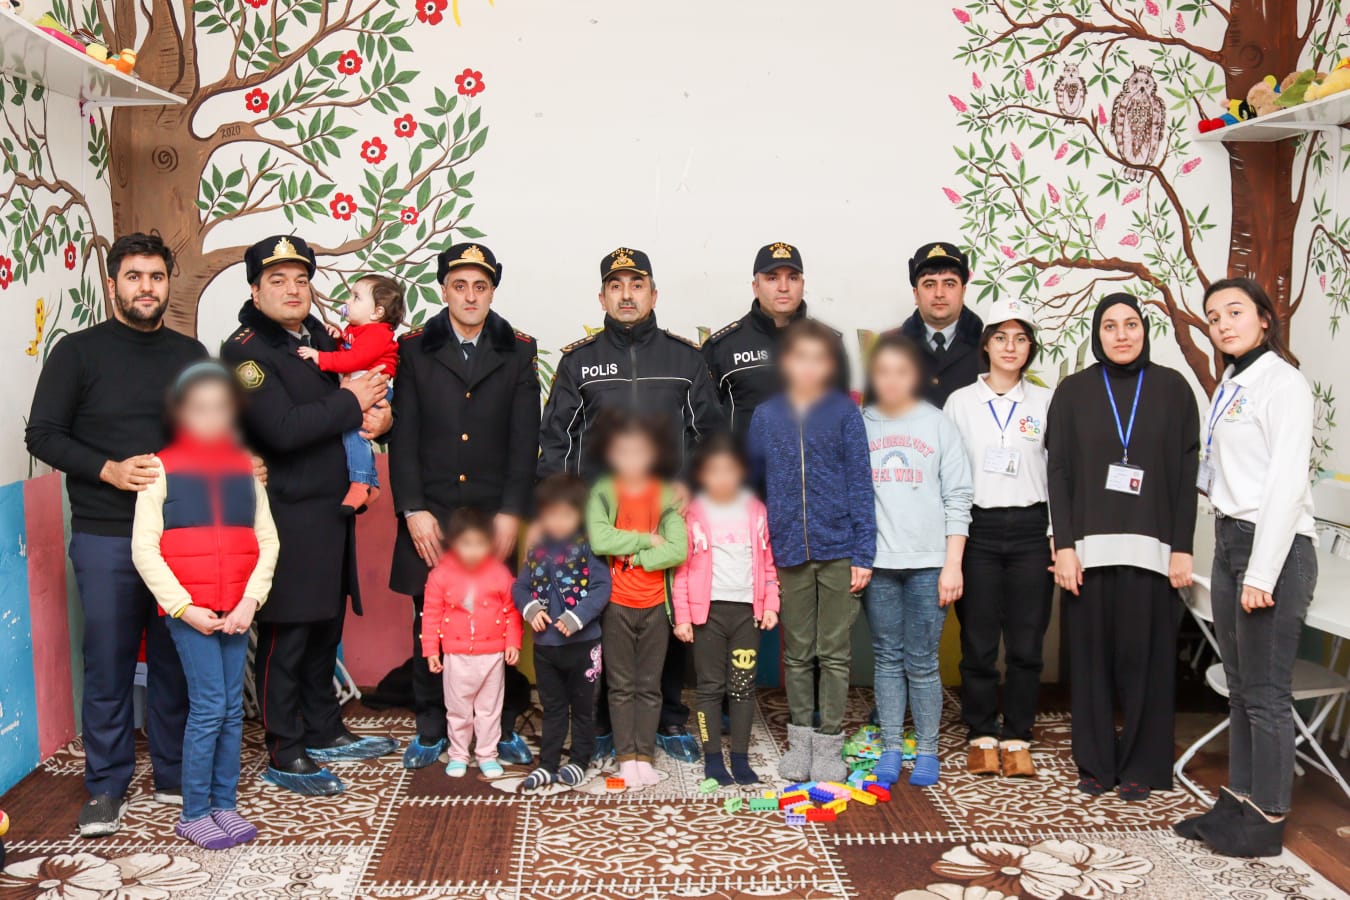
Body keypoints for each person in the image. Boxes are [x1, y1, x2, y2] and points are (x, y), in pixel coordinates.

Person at [26, 232, 208, 837]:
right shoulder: (76, 354)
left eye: (156, 277)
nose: (146, 288)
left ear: (166, 285)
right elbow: (42, 434)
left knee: (175, 659)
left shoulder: (190, 353)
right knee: (106, 660)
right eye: (134, 277)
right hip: (106, 534)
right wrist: (107, 469)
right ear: (113, 285)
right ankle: (106, 785)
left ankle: (178, 773)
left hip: (177, 535)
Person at [221, 235, 397, 796]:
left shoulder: (320, 337)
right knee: (288, 632)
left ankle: (323, 728)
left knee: (325, 625)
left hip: (332, 510)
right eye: (278, 280)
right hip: (286, 512)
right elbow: (281, 429)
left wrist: (381, 415)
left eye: (301, 279)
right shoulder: (245, 352)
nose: (293, 289)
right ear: (255, 288)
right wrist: (352, 400)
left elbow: (360, 400)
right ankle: (285, 747)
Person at [539, 247, 725, 762]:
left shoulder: (686, 360)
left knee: (666, 617)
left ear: (653, 294)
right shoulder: (578, 361)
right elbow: (556, 442)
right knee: (602, 623)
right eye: (616, 286)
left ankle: (668, 719)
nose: (626, 294)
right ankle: (601, 724)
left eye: (636, 285)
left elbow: (712, 435)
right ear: (602, 296)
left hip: (666, 519)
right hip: (600, 522)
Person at [1173, 278, 1318, 858]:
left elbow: (1285, 484)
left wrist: (1261, 573)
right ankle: (1236, 801)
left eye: (1235, 311)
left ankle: (1265, 821)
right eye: (1213, 317)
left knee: (1266, 694)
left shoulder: (1284, 383)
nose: (1223, 323)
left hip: (1273, 549)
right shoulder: (1233, 381)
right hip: (1233, 539)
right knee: (1239, 690)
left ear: (1264, 318)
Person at [388, 243, 540, 770]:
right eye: (460, 285)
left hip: (492, 512)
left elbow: (526, 440)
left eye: (481, 286)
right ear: (443, 289)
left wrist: (512, 512)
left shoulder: (519, 350)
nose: (470, 296)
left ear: (492, 290)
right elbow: (401, 437)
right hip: (432, 509)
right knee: (429, 617)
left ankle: (502, 727)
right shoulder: (413, 349)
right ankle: (432, 729)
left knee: (503, 612)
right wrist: (412, 508)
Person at [1046, 293, 1199, 801]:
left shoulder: (1174, 390)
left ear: (1144, 330)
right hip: (1087, 553)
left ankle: (1142, 763)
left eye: (1131, 324)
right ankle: (1094, 763)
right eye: (1110, 326)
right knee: (1089, 665)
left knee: (1148, 664)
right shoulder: (1072, 392)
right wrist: (1063, 546)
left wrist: (1183, 547)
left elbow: (1185, 476)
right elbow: (1059, 472)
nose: (1122, 334)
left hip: (1155, 554)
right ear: (1097, 334)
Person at [129, 362, 279, 850]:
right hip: (191, 613)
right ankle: (194, 810)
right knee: (210, 705)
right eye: (199, 409)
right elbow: (144, 549)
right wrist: (182, 607)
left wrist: (250, 601)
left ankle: (224, 804)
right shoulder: (160, 470)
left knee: (233, 709)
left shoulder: (244, 469)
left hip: (237, 610)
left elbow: (267, 540)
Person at [747, 319, 875, 784]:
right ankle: (800, 737)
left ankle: (829, 741)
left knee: (834, 652)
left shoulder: (844, 414)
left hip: (839, 547)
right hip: (788, 550)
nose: (808, 366)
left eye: (818, 358)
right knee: (798, 652)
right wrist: (767, 553)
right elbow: (756, 488)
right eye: (799, 356)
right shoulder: (765, 416)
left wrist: (863, 552)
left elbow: (861, 484)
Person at [944, 298, 1055, 778]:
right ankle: (982, 732)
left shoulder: (1047, 402)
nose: (1011, 347)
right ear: (985, 344)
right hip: (979, 531)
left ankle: (1019, 734)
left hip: (1032, 530)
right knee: (979, 641)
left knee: (1028, 643)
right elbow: (948, 477)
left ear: (1030, 347)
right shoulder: (961, 403)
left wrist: (1057, 536)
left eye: (1021, 338)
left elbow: (1059, 474)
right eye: (1001, 337)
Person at [862, 334, 973, 788]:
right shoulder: (860, 423)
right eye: (883, 371)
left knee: (923, 661)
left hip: (931, 563)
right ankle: (891, 746)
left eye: (901, 371)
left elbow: (958, 497)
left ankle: (927, 750)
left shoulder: (939, 424)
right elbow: (850, 498)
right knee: (887, 658)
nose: (892, 380)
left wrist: (953, 564)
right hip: (878, 564)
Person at [585, 410, 689, 789]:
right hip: (616, 604)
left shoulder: (665, 495)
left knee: (649, 685)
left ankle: (644, 756)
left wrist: (638, 559)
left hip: (655, 608)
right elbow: (600, 539)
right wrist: (647, 539)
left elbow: (679, 548)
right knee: (621, 684)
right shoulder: (602, 493)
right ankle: (626, 757)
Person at [672, 433, 779, 786]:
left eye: (730, 470)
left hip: (746, 615)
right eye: (714, 471)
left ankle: (741, 759)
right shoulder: (693, 513)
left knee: (742, 688)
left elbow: (768, 565)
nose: (722, 478)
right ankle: (714, 759)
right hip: (708, 616)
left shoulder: (757, 511)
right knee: (710, 688)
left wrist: (771, 605)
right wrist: (683, 616)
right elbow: (682, 569)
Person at [512, 474, 612, 791]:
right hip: (546, 648)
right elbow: (520, 586)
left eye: (565, 514)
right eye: (550, 514)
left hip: (582, 646)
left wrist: (576, 617)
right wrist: (531, 609)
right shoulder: (538, 549)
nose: (557, 521)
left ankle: (580, 760)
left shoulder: (589, 548)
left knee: (583, 709)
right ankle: (548, 763)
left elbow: (601, 588)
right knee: (552, 708)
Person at [703, 242, 850, 438]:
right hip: (749, 468)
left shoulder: (829, 343)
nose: (783, 287)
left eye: (792, 278)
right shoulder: (723, 347)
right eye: (772, 278)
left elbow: (843, 422)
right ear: (756, 287)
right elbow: (706, 428)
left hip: (811, 468)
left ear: (802, 285)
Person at [420, 508, 523, 778]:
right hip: (456, 656)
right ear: (453, 543)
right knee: (458, 710)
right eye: (467, 544)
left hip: (493, 656)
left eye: (480, 544)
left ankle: (487, 754)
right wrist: (431, 650)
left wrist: (513, 642)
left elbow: (512, 611)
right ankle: (458, 754)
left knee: (489, 709)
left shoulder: (500, 573)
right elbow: (431, 614)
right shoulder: (440, 575)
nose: (474, 551)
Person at [297, 274, 402, 514]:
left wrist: (319, 356)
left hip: (375, 390)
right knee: (354, 431)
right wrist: (335, 339)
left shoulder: (378, 333)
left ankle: (361, 482)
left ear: (376, 312)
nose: (348, 301)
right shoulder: (356, 329)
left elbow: (353, 359)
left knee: (356, 433)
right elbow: (347, 348)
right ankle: (371, 485)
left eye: (356, 297)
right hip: (359, 386)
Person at [891, 242, 984, 408]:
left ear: (963, 291)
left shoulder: (989, 348)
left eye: (949, 284)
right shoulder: (891, 348)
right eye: (929, 284)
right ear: (916, 294)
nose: (939, 294)